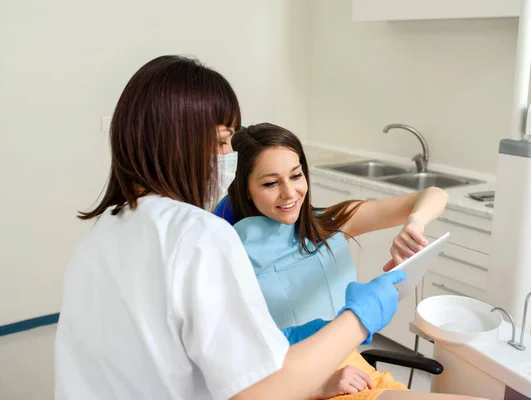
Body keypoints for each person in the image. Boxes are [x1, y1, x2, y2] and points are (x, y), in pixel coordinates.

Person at [53, 55, 408, 400]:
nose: (229, 156)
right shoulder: (199, 235)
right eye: (223, 142)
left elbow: (171, 355)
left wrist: (311, 376)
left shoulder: (106, 229)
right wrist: (359, 318)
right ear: (180, 144)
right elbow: (257, 391)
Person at [218, 123, 484, 399]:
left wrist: (413, 224)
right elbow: (236, 363)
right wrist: (316, 388)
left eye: (296, 176)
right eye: (271, 183)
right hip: (296, 384)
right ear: (245, 189)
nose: (289, 193)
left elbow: (435, 194)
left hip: (355, 371)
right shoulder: (229, 253)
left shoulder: (329, 223)